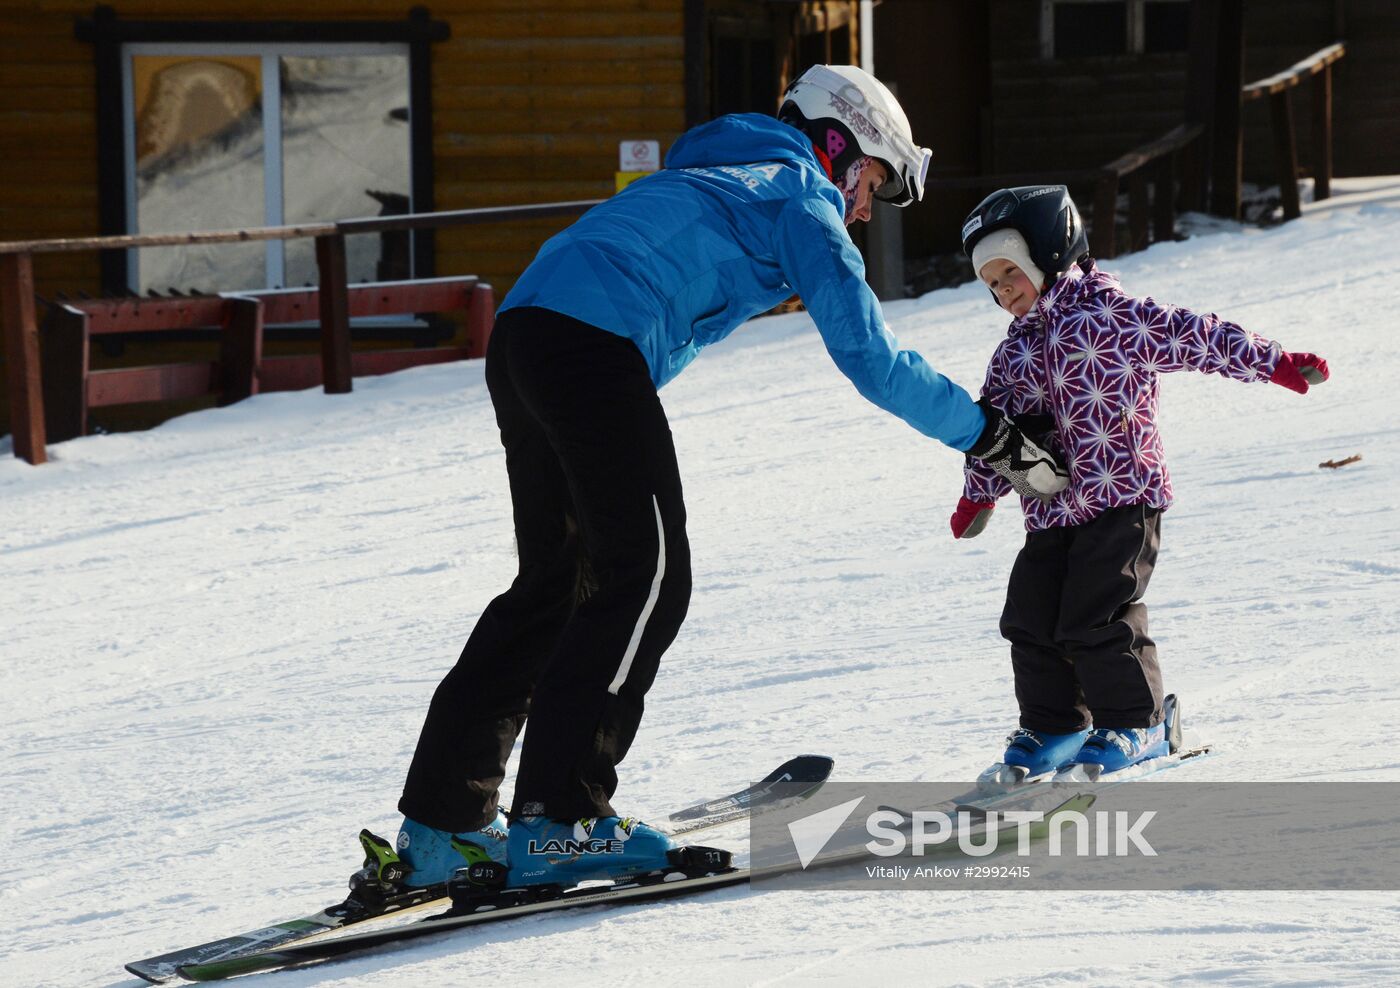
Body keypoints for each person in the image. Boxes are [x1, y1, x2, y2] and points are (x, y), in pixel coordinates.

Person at [373, 66, 1070, 895]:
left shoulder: (715, 169)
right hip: (589, 346)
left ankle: (442, 824)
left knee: (557, 584)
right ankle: (561, 820)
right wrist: (992, 436)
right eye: (871, 184)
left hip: (526, 333)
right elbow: (872, 360)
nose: (859, 209)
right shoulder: (796, 195)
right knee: (650, 574)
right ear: (838, 145)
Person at [953, 185, 1330, 787]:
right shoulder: (1010, 356)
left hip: (1123, 496)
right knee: (1030, 615)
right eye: (991, 283)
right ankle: (1054, 727)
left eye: (1010, 273)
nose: (1003, 292)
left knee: (1095, 613)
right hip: (1049, 511)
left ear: (1049, 254)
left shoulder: (1117, 317)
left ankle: (1140, 723)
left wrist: (1275, 362)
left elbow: (1198, 336)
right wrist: (978, 493)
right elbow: (995, 431)